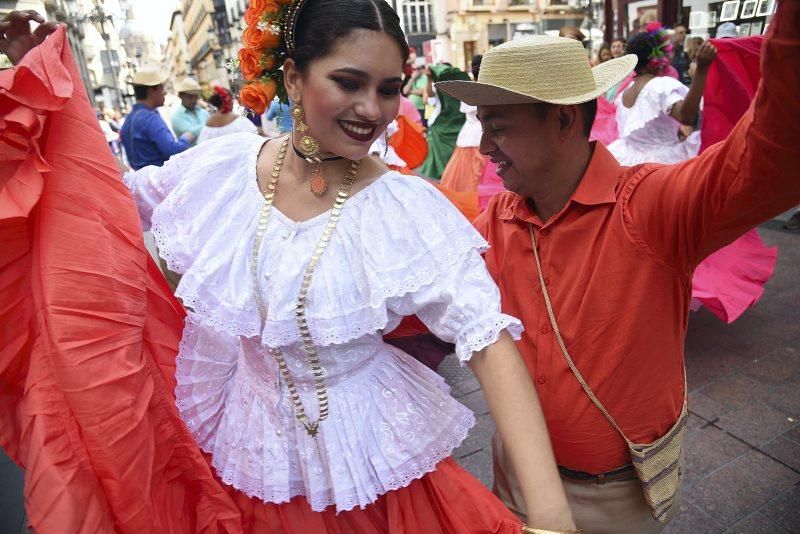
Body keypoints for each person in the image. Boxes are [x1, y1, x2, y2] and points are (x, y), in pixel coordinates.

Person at [0, 4, 577, 533]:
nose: (371, 110)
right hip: (248, 464)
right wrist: (50, 88)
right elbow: (93, 200)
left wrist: (551, 517)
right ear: (294, 78)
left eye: (388, 89)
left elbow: (487, 340)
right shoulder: (222, 170)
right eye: (348, 83)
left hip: (372, 472)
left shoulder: (404, 208)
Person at [436, 0, 800, 529]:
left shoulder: (652, 206)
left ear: (562, 118)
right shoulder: (496, 223)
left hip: (618, 499)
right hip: (513, 476)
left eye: (498, 126)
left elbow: (777, 156)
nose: (485, 145)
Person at [607, 26, 711, 165]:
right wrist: (701, 73)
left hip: (629, 162)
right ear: (653, 62)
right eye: (663, 56)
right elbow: (687, 117)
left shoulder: (625, 93)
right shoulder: (658, 87)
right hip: (660, 165)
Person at [119, 67, 193, 170]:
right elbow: (172, 151)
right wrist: (186, 138)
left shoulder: (128, 120)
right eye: (162, 88)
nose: (165, 92)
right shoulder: (150, 118)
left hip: (142, 181)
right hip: (160, 179)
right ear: (151, 91)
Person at [440, 54, 485, 192]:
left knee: (464, 177)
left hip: (468, 134)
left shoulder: (467, 90)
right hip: (480, 133)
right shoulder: (488, 91)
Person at [418, 63, 469, 179]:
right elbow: (430, 98)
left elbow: (428, 99)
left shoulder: (453, 91)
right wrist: (429, 78)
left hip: (446, 127)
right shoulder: (441, 89)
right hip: (448, 126)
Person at [170, 77, 209, 144]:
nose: (194, 100)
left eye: (196, 96)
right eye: (190, 97)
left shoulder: (203, 112)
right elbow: (191, 132)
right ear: (181, 96)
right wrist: (211, 123)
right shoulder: (176, 117)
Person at [402, 57, 428, 126]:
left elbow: (422, 92)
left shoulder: (424, 78)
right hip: (410, 109)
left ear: (421, 69)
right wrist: (413, 78)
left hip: (421, 108)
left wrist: (410, 91)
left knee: (420, 128)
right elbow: (404, 91)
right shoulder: (411, 79)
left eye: (418, 69)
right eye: (414, 69)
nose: (415, 71)